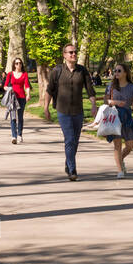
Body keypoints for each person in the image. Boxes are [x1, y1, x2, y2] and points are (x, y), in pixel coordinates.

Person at [47, 43, 98, 182]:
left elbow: (90, 89)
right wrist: (46, 108)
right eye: (70, 52)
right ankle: (72, 169)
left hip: (78, 111)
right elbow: (49, 90)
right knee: (69, 139)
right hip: (62, 111)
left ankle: (68, 163)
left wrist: (94, 105)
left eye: (75, 52)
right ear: (64, 55)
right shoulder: (57, 71)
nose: (73, 54)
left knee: (75, 141)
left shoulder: (82, 71)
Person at [104, 63, 133, 178]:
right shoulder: (111, 86)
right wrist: (114, 102)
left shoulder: (132, 87)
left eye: (119, 71)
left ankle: (120, 160)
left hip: (127, 118)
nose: (116, 72)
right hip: (114, 117)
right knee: (117, 145)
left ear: (125, 73)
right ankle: (120, 170)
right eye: (115, 70)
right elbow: (106, 101)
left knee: (130, 145)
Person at [5, 57, 31, 144]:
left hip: (21, 97)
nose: (18, 65)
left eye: (20, 63)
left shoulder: (24, 74)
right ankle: (13, 136)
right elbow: (5, 86)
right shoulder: (10, 74)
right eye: (16, 63)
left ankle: (19, 135)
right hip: (12, 98)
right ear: (14, 65)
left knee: (20, 117)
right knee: (13, 117)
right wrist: (9, 89)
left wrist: (28, 94)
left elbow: (27, 86)